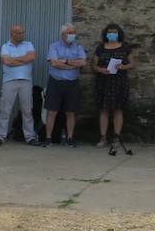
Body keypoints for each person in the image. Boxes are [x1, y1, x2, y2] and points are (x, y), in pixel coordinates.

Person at [41, 23, 88, 147]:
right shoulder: (54, 46)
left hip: (72, 83)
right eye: (70, 33)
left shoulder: (78, 47)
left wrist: (66, 62)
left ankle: (70, 137)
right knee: (52, 111)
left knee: (71, 112)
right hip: (55, 82)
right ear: (63, 34)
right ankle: (48, 138)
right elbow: (54, 63)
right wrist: (72, 65)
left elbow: (83, 62)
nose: (73, 35)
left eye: (74, 33)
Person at [93, 22, 137, 155]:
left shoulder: (125, 48)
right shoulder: (101, 48)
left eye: (114, 32)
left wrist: (122, 67)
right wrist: (100, 69)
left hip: (119, 81)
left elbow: (132, 63)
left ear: (119, 34)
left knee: (118, 110)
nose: (112, 34)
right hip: (104, 81)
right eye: (110, 32)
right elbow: (94, 65)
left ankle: (116, 138)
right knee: (104, 109)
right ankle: (103, 137)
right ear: (106, 34)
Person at [0, 24, 38, 146]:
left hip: (26, 81)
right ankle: (0, 136)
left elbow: (32, 57)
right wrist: (23, 59)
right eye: (19, 33)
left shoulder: (28, 44)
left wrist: (14, 60)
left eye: (23, 32)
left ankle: (30, 137)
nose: (22, 34)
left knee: (27, 110)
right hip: (9, 81)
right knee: (5, 110)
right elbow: (7, 61)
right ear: (12, 34)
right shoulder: (5, 46)